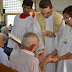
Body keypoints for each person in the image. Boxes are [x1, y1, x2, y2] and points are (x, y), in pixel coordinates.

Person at [35, 0, 65, 72]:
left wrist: (54, 34)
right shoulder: (37, 17)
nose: (45, 16)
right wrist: (42, 48)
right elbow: (36, 34)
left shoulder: (59, 17)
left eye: (47, 13)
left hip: (55, 49)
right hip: (42, 49)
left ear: (52, 8)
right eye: (42, 13)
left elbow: (64, 33)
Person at [44, 6, 72, 72]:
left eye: (67, 18)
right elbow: (59, 46)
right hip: (62, 62)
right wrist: (48, 56)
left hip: (69, 63)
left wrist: (59, 58)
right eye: (64, 18)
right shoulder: (67, 28)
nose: (65, 21)